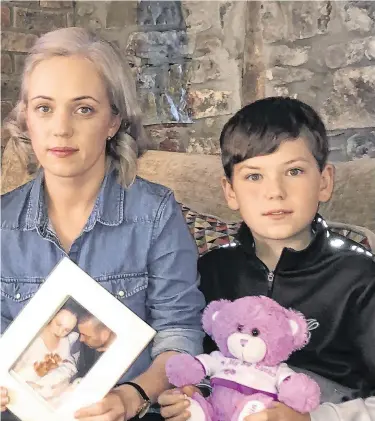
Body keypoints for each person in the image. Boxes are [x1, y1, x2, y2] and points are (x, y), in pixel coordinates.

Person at [0, 27, 205, 421]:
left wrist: (134, 396)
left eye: (84, 109)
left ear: (113, 121)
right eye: (44, 107)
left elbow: (180, 332)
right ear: (26, 118)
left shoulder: (156, 213)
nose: (61, 128)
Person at [158, 97, 375, 421]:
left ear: (324, 181)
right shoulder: (211, 270)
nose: (275, 191)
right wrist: (190, 397)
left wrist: (316, 418)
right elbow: (202, 368)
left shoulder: (358, 276)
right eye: (254, 176)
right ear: (230, 191)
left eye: (294, 171)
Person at [12, 302, 79, 402]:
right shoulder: (31, 339)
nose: (60, 332)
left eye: (66, 330)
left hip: (58, 394)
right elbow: (13, 374)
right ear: (51, 316)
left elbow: (70, 366)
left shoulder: (67, 340)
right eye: (58, 324)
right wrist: (37, 372)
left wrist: (62, 372)